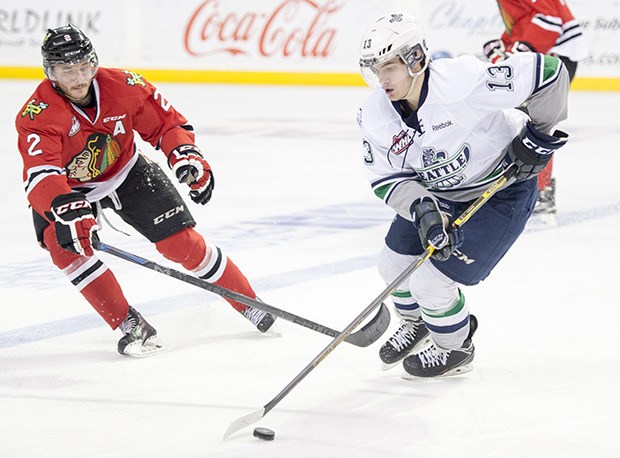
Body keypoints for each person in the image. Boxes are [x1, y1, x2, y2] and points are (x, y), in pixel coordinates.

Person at [15, 24, 275, 357]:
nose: (79, 78)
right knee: (65, 247)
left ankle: (247, 302)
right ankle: (130, 323)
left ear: (94, 62)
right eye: (67, 70)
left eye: (84, 66)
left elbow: (167, 124)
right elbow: (40, 174)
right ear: (50, 72)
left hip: (126, 172)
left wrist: (184, 153)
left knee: (181, 244)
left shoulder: (125, 86)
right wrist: (61, 204)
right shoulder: (36, 114)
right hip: (71, 189)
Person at [357, 13, 569, 377]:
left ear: (416, 60)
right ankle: (420, 323)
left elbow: (549, 71)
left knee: (431, 282)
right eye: (375, 69)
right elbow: (386, 178)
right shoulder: (375, 112)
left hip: (502, 190)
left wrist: (539, 136)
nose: (382, 78)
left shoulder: (463, 81)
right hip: (439, 194)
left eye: (389, 66)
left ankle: (456, 348)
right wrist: (423, 210)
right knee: (391, 265)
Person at [483, 0, 587, 216]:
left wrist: (517, 52)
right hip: (550, 52)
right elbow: (526, 19)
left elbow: (550, 21)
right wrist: (506, 45)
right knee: (522, 119)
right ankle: (535, 189)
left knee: (532, 122)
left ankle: (540, 190)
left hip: (554, 54)